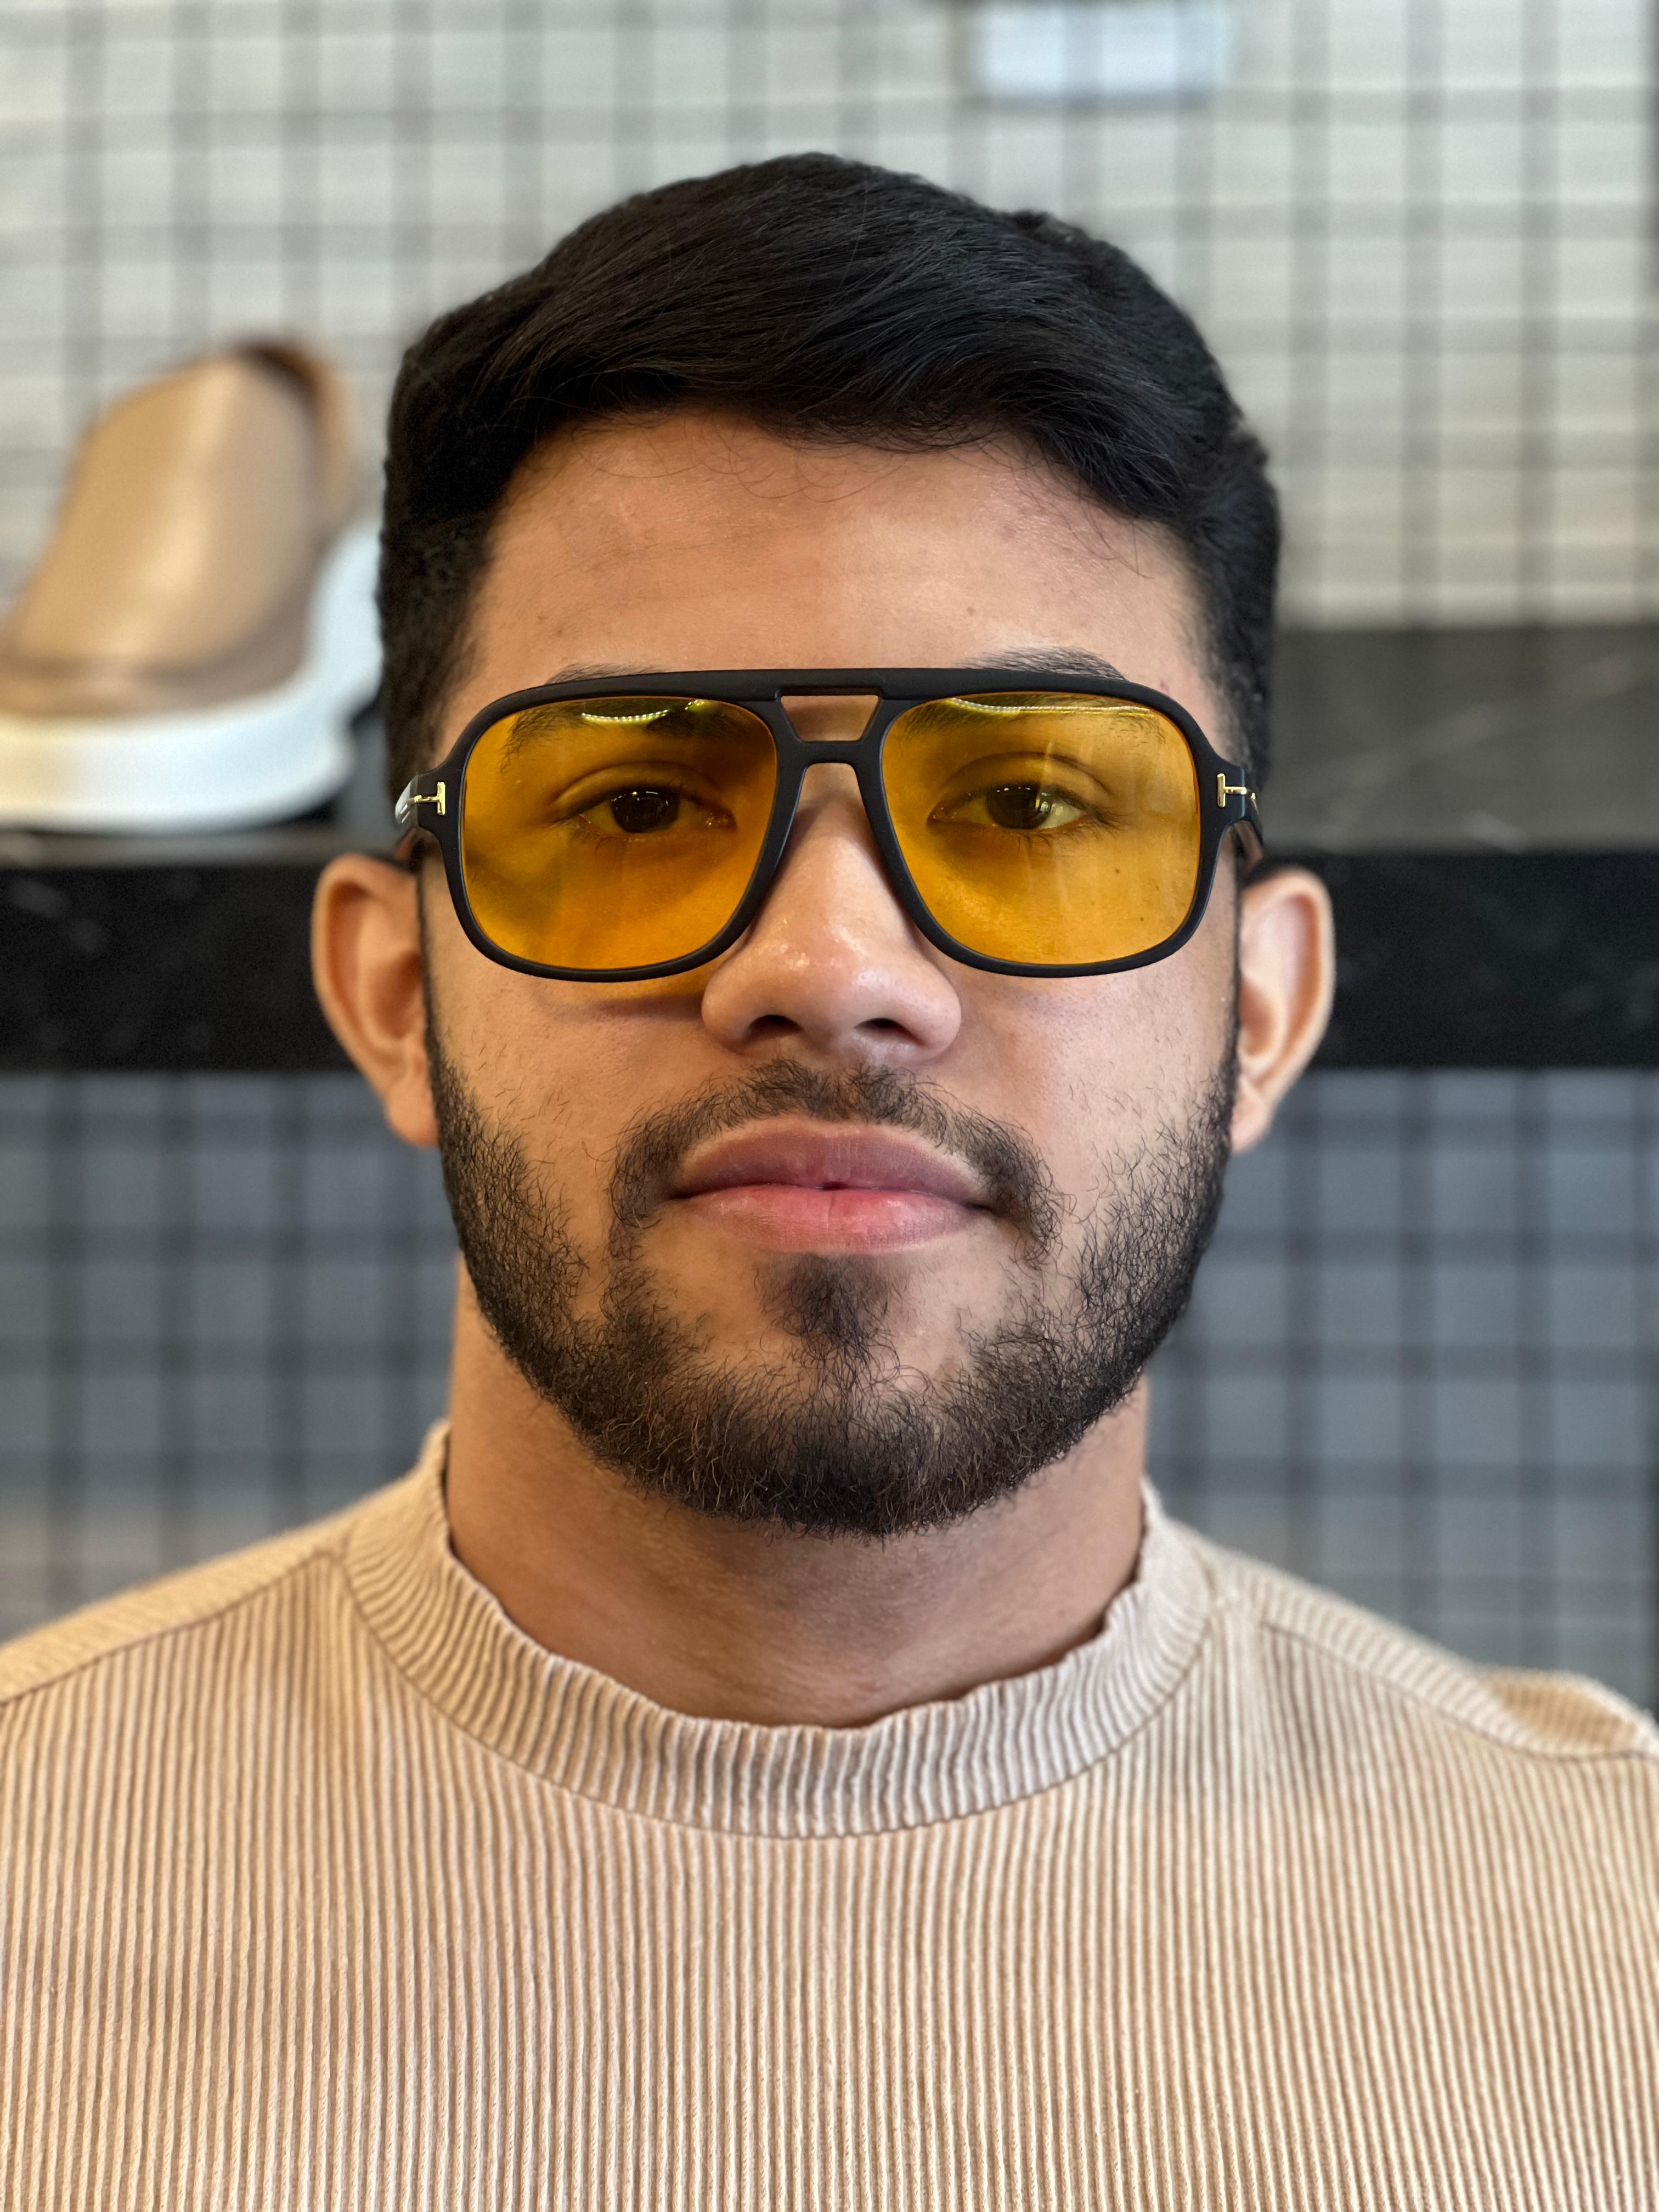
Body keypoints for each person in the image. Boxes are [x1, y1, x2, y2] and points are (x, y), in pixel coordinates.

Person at [2, 154, 1654, 2210]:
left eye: (1033, 802)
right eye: (633, 801)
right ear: (395, 994)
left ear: (1259, 1008)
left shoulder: (1614, 1962)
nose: (831, 968)